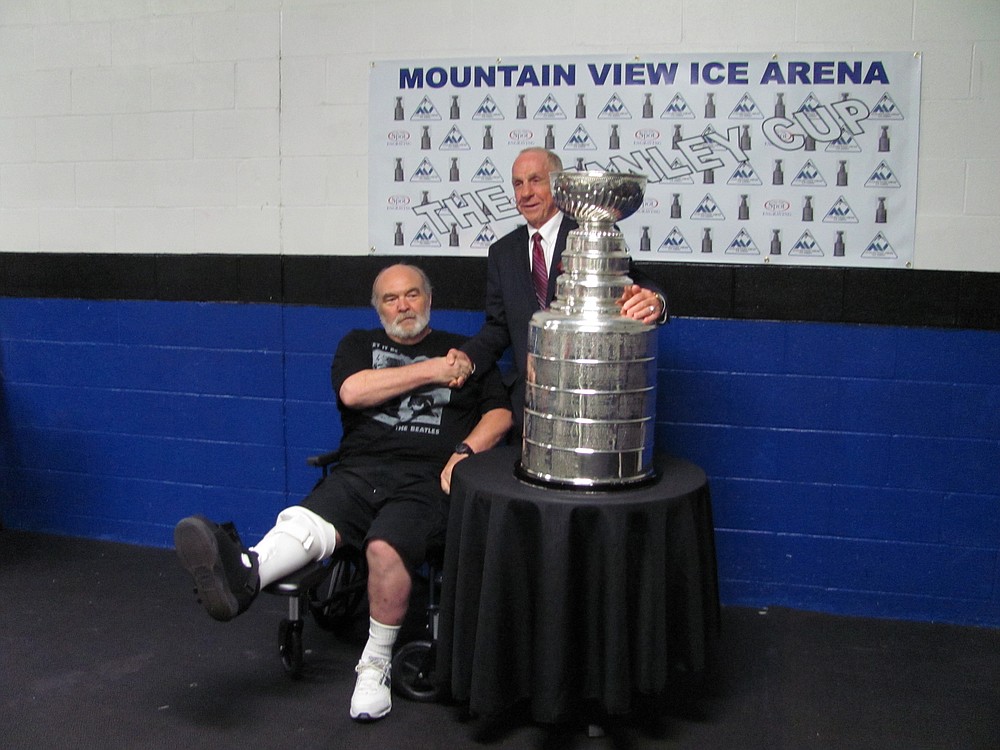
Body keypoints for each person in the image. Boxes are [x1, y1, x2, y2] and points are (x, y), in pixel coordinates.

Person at [173, 264, 512, 722]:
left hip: (427, 480)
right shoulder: (359, 345)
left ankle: (374, 666)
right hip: (360, 471)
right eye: (391, 299)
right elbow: (354, 392)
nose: (403, 305)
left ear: (429, 299)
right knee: (304, 522)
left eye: (412, 294)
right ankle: (246, 572)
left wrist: (465, 451)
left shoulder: (467, 352)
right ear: (378, 307)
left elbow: (501, 414)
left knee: (384, 548)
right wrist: (434, 370)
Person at [452, 147, 668, 423]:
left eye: (535, 180)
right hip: (529, 405)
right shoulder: (502, 252)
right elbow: (498, 328)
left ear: (559, 185)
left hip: (589, 402)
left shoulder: (588, 236)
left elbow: (639, 283)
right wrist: (465, 358)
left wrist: (655, 302)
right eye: (518, 183)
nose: (526, 193)